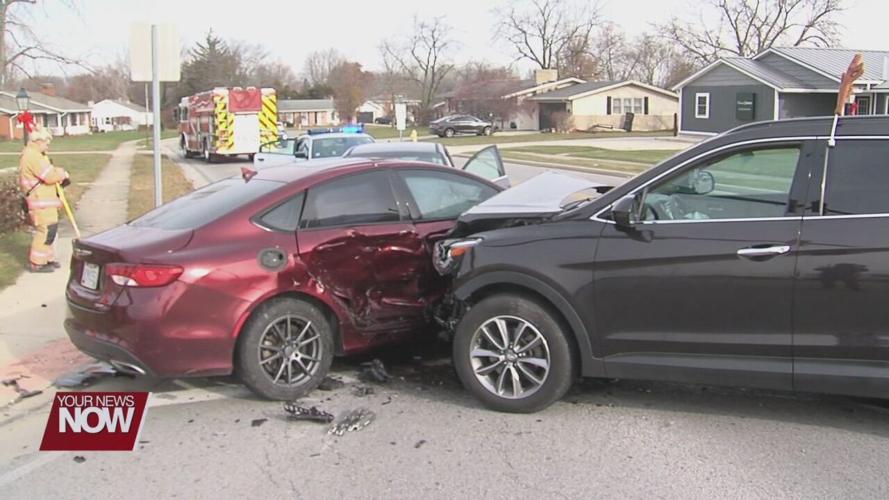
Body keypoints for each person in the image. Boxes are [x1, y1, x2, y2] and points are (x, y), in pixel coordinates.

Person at [18, 126, 70, 273]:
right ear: (38, 141)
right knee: (44, 231)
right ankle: (37, 262)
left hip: (45, 202)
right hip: (40, 202)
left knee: (50, 232)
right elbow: (50, 176)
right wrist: (63, 173)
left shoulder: (38, 155)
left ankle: (47, 259)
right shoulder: (33, 156)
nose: (48, 145)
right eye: (47, 142)